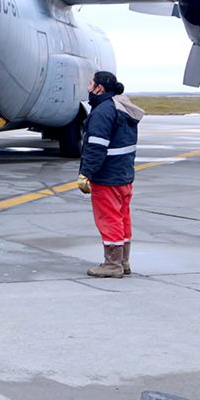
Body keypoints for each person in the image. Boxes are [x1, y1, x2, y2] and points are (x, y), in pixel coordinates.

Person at [77, 70, 144, 278]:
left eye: (91, 84)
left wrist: (85, 174)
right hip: (124, 175)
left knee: (109, 218)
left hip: (107, 177)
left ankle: (112, 264)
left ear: (100, 88)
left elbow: (97, 147)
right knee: (122, 217)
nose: (88, 88)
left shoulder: (102, 112)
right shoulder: (122, 108)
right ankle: (123, 261)